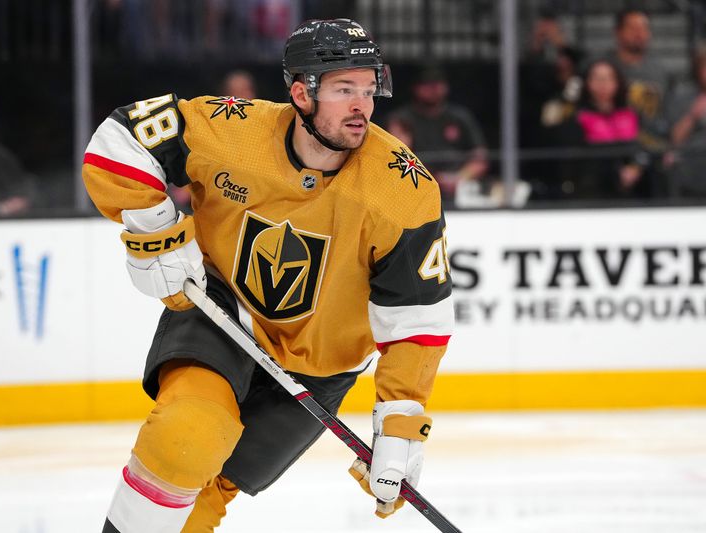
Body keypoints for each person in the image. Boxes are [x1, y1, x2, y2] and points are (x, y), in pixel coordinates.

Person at [82, 18, 453, 532]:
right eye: (345, 89)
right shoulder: (234, 129)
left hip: (321, 365)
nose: (361, 106)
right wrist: (156, 231)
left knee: (204, 503)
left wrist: (400, 429)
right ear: (302, 92)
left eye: (369, 89)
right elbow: (119, 140)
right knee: (187, 439)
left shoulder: (402, 188)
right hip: (223, 314)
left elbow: (416, 318)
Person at [385, 66, 488, 203]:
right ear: (416, 88)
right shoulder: (401, 119)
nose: (434, 89)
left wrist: (459, 178)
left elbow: (480, 159)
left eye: (437, 84)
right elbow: (398, 158)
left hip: (461, 187)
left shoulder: (460, 117)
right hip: (417, 184)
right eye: (427, 85)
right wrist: (432, 178)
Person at [553, 59, 648, 199]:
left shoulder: (631, 115)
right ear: (587, 83)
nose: (603, 84)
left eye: (609, 78)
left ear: (618, 82)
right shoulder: (578, 118)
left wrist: (635, 168)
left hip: (634, 194)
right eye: (597, 78)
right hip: (593, 194)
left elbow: (645, 149)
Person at [603, 8, 671, 149]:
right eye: (633, 28)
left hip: (652, 147)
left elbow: (667, 113)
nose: (639, 33)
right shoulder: (603, 67)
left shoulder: (660, 71)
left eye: (644, 28)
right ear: (618, 32)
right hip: (611, 146)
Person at [664, 46, 706, 198]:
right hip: (691, 172)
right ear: (698, 69)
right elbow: (675, 138)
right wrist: (693, 114)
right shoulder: (682, 96)